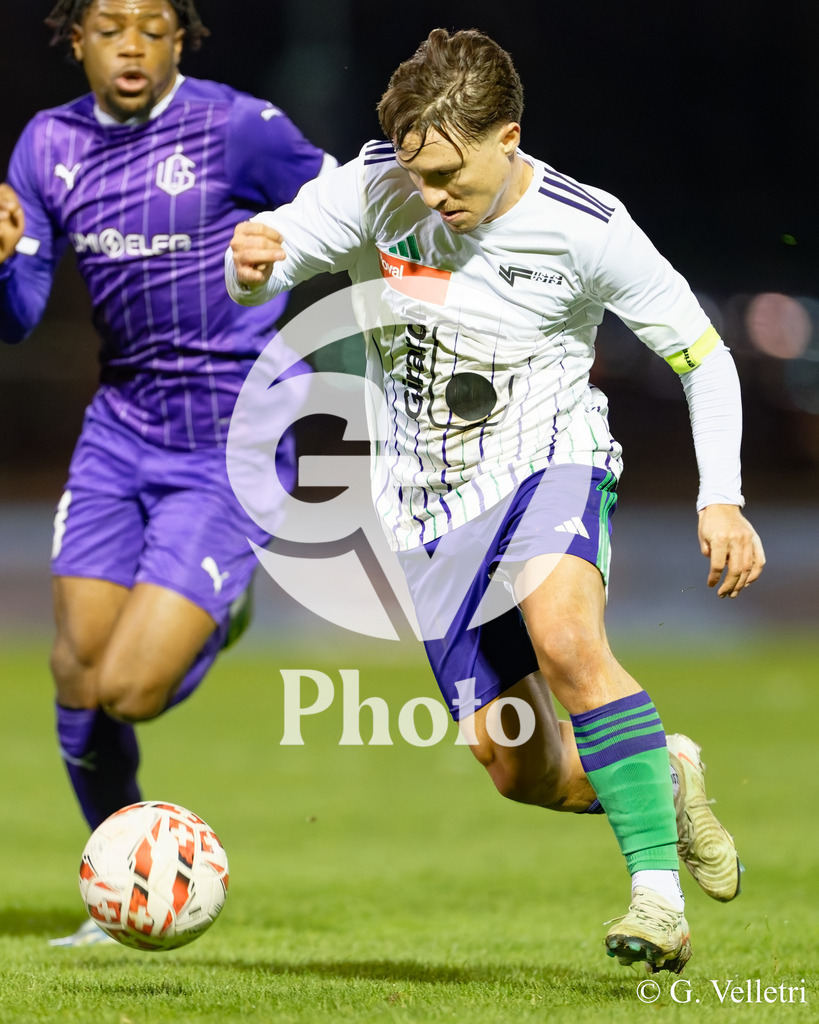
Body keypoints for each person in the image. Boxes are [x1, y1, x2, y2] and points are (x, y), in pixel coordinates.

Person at [225, 28, 765, 974]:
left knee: (566, 641)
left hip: (547, 457)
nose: (429, 199)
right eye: (415, 174)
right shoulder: (377, 186)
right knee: (520, 770)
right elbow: (274, 259)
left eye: (447, 176)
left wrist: (719, 498)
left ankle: (657, 901)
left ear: (506, 136)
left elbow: (702, 356)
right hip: (426, 505)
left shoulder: (586, 226)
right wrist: (251, 261)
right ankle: (660, 776)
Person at [0, 0, 335, 945]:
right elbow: (21, 315)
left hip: (234, 436)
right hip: (121, 430)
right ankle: (123, 894)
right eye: (111, 26)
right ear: (77, 40)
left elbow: (346, 208)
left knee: (132, 689)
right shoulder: (48, 144)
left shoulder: (238, 128)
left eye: (153, 25)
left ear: (181, 37)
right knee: (76, 673)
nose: (133, 43)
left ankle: (221, 610)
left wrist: (285, 259)